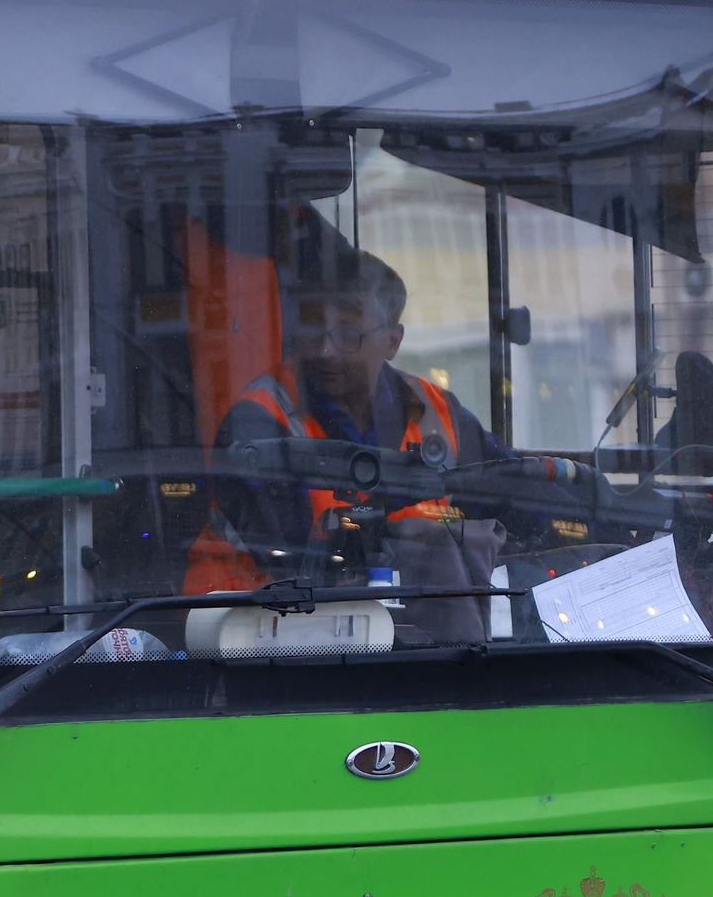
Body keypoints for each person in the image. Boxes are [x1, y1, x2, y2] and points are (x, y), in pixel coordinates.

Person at [195, 247, 512, 645]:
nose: (325, 350)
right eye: (312, 327)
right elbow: (298, 553)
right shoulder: (259, 420)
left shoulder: (440, 412)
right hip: (256, 634)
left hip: (404, 633)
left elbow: (516, 493)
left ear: (392, 341)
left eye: (347, 332)